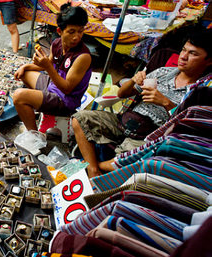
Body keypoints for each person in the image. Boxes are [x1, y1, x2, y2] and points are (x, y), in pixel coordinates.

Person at [72, 30, 212, 178]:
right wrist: (133, 79)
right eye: (183, 50)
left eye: (193, 54)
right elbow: (122, 94)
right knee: (80, 118)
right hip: (126, 121)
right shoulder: (163, 72)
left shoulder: (202, 91)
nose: (183, 56)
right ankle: (93, 171)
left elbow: (188, 130)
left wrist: (166, 103)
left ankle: (94, 167)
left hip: (150, 137)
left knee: (127, 161)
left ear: (209, 61)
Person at [13, 3, 92, 131]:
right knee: (25, 73)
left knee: (19, 96)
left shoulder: (83, 56)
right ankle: (38, 106)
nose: (77, 37)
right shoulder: (56, 43)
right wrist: (26, 66)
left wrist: (48, 67)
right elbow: (47, 65)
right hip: (53, 86)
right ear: (60, 31)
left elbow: (67, 88)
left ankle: (33, 134)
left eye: (80, 31)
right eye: (71, 32)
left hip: (65, 101)